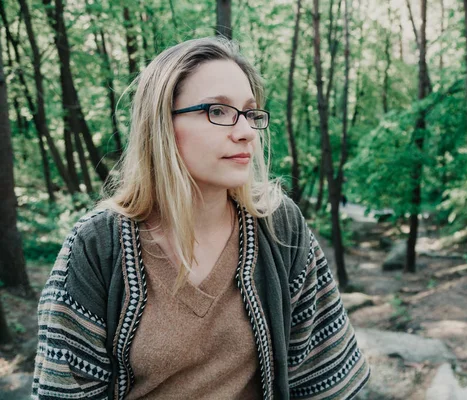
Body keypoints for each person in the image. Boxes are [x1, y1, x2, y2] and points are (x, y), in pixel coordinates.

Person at [32, 37, 369, 399]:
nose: (245, 133)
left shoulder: (279, 226)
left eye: (250, 113)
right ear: (161, 124)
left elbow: (325, 375)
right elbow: (65, 389)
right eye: (218, 111)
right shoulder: (98, 245)